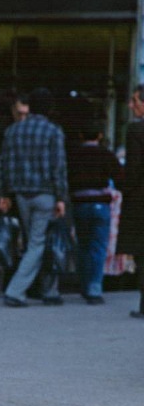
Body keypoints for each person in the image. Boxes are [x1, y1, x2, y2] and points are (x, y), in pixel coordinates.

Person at [0, 87, 68, 308]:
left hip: (21, 194)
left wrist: (3, 193)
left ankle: (49, 290)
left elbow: (3, 164)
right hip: (45, 193)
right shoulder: (53, 131)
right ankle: (16, 291)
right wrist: (61, 197)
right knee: (38, 243)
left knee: (33, 242)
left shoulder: (13, 130)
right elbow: (59, 167)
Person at [66, 120, 121, 305]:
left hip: (80, 203)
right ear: (100, 135)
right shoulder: (106, 154)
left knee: (82, 245)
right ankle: (94, 288)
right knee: (98, 247)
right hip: (100, 203)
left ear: (81, 135)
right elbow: (120, 177)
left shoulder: (73, 154)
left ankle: (83, 284)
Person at [117, 85, 144, 318]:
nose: (131, 105)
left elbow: (134, 169)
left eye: (135, 100)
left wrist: (125, 188)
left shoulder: (136, 130)